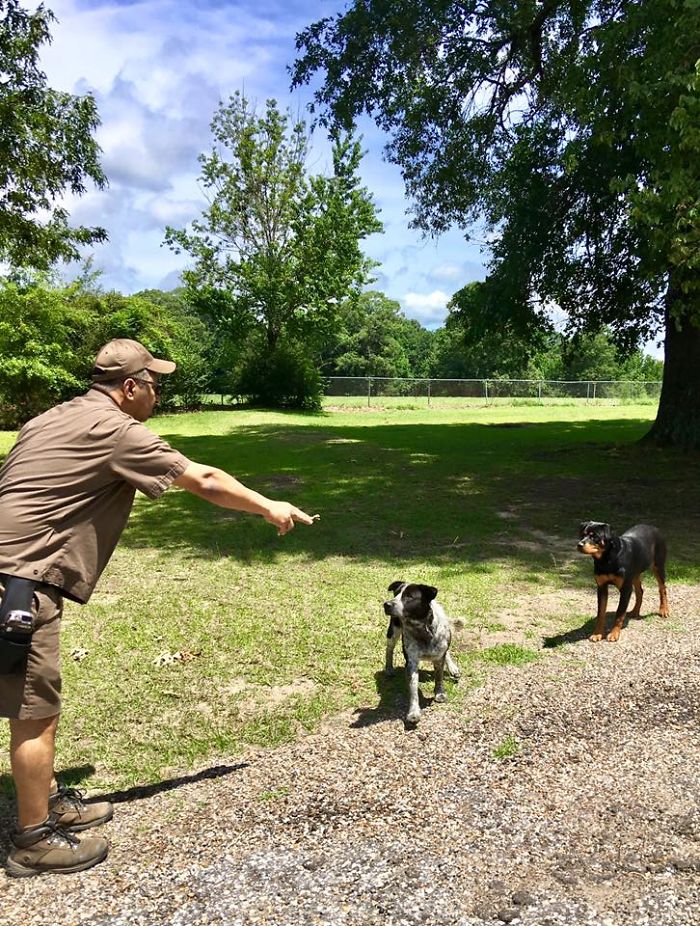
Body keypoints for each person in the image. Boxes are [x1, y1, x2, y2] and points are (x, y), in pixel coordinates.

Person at [0, 338, 315, 878]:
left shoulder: (51, 418)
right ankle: (32, 839)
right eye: (154, 384)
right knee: (35, 711)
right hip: (18, 586)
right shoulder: (118, 431)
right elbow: (205, 479)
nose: (158, 393)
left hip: (11, 575)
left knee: (34, 702)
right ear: (130, 388)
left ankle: (47, 802)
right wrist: (269, 505)